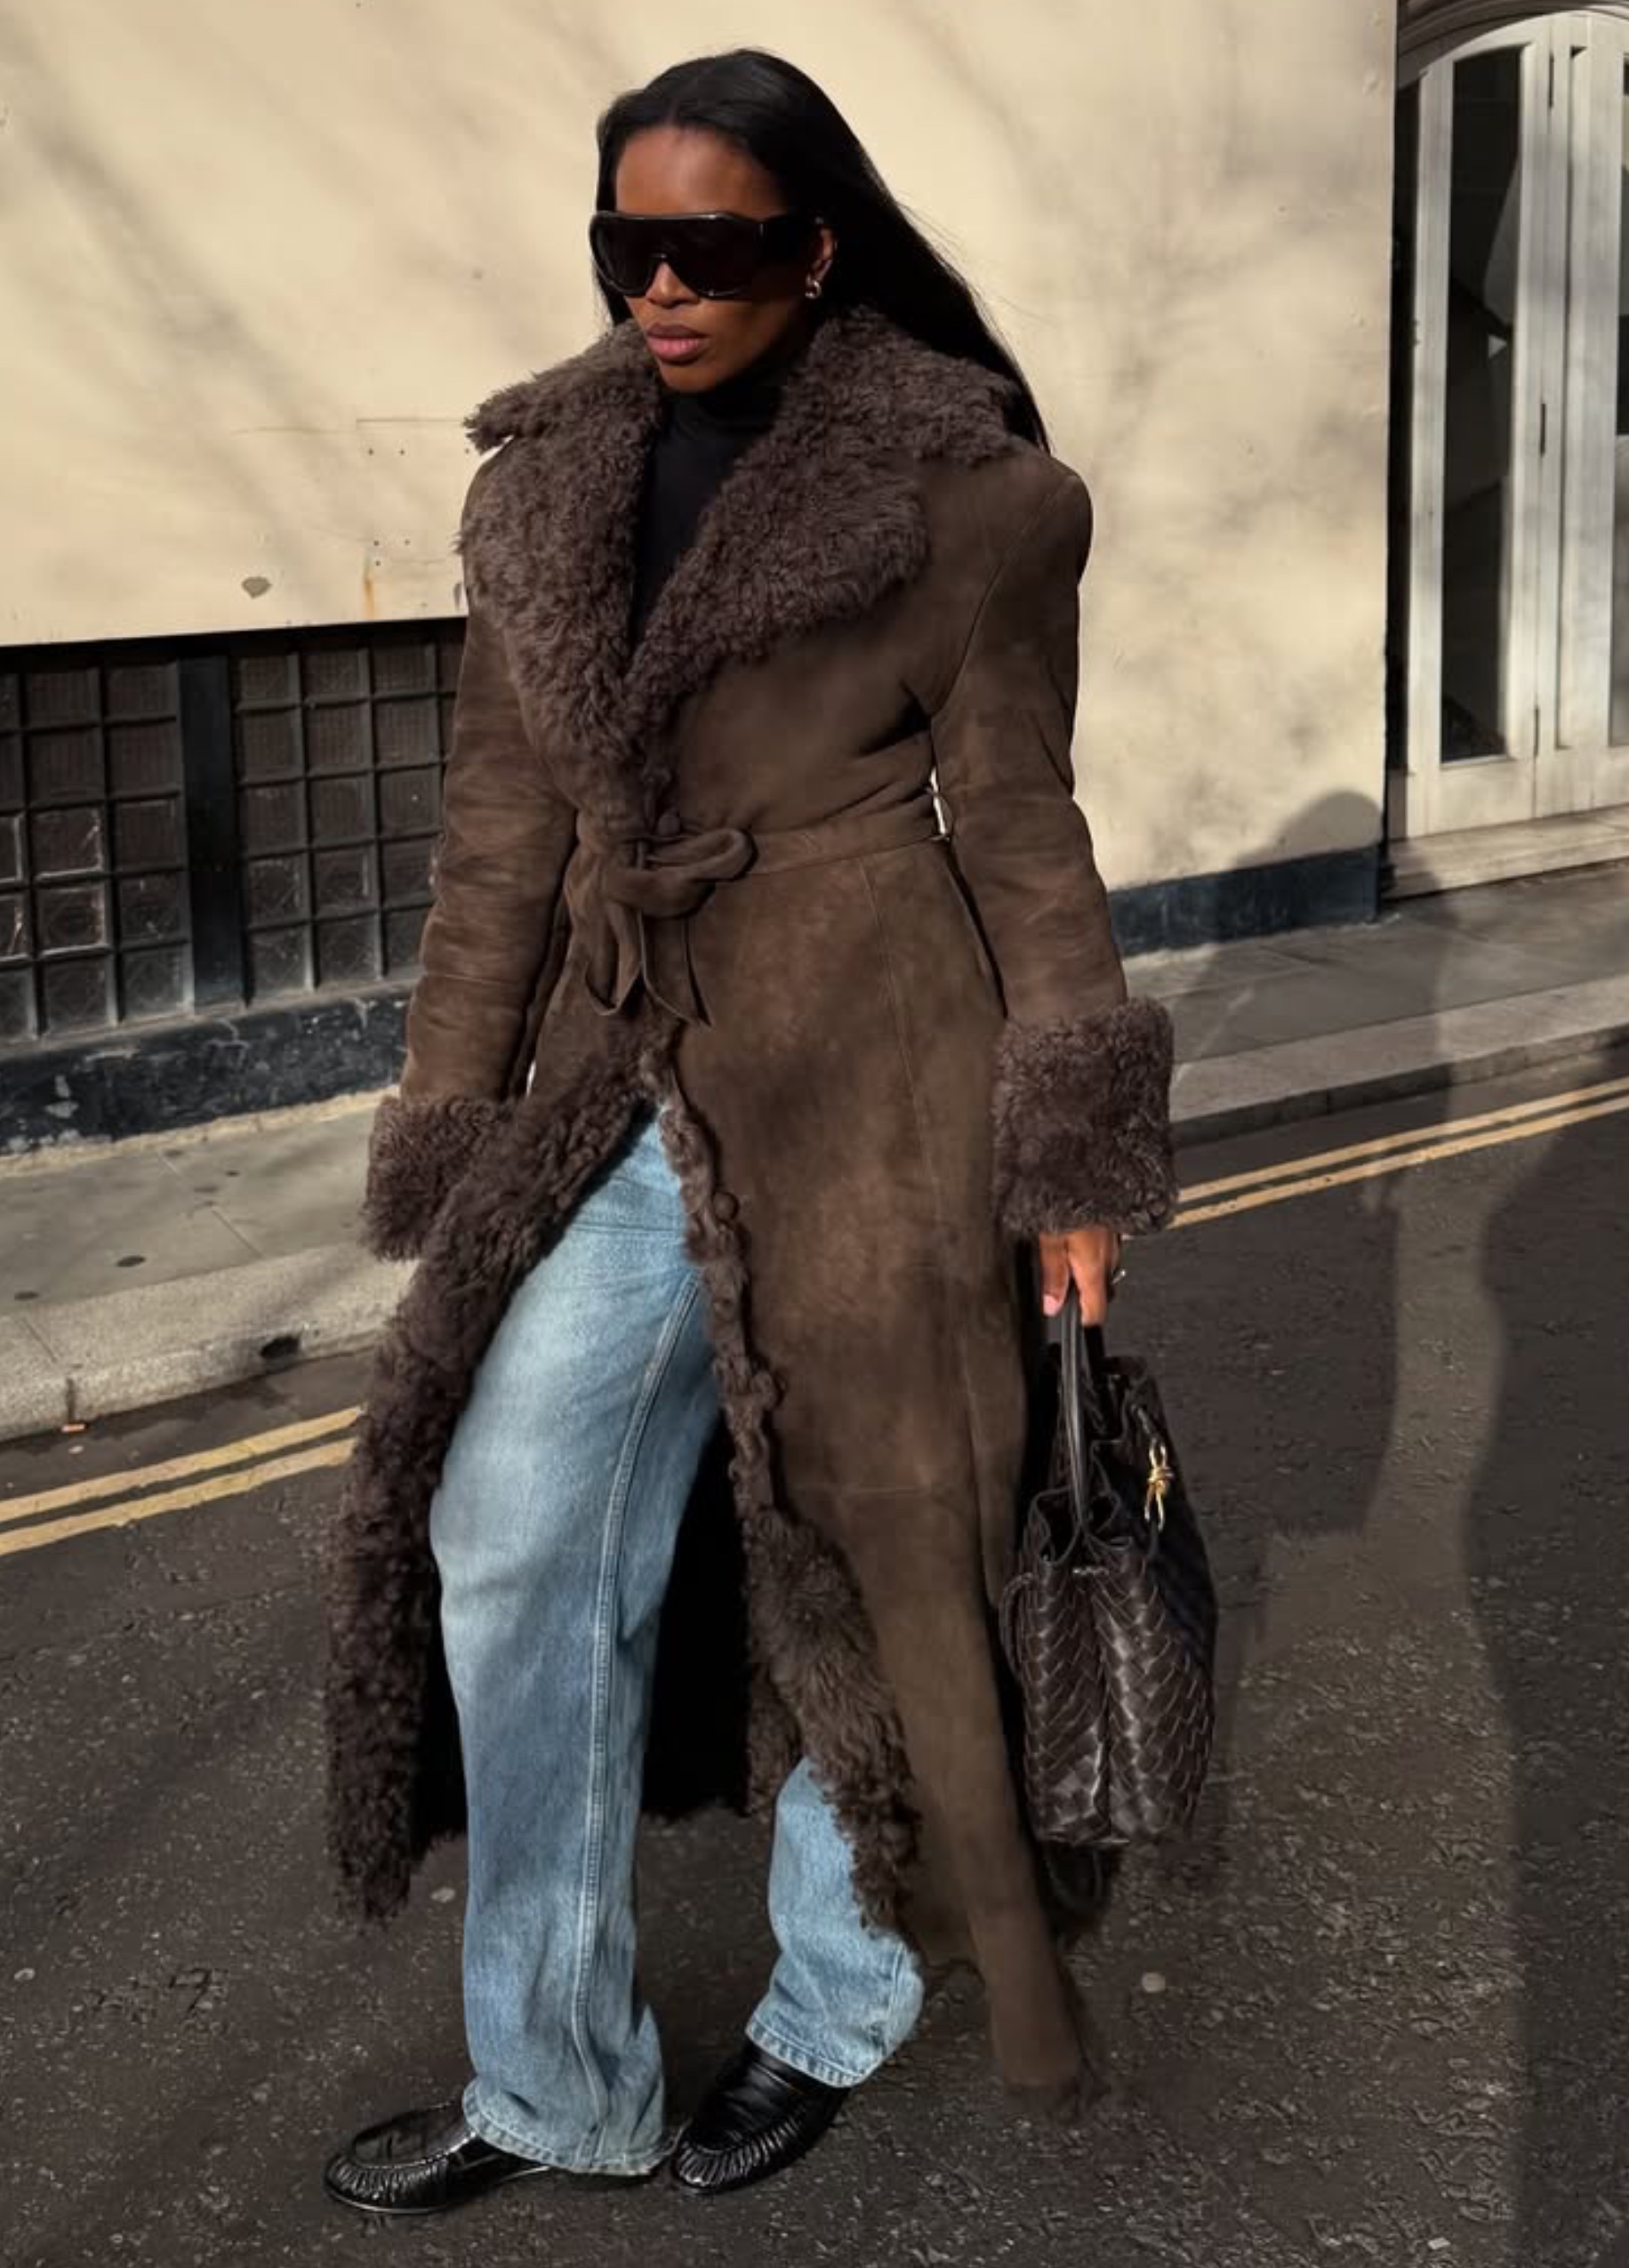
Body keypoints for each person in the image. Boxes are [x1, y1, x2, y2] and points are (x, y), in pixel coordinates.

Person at [318, 48, 1173, 2218]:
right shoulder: (547, 480)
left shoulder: (958, 496)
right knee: (505, 1530)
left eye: (714, 245)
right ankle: (553, 2076)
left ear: (817, 245)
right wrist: (449, 1102)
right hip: (623, 1071)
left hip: (877, 1065)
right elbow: (497, 843)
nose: (662, 288)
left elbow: (1019, 825)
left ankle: (831, 1997)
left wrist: (1067, 1143)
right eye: (628, 244)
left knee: (882, 1550)